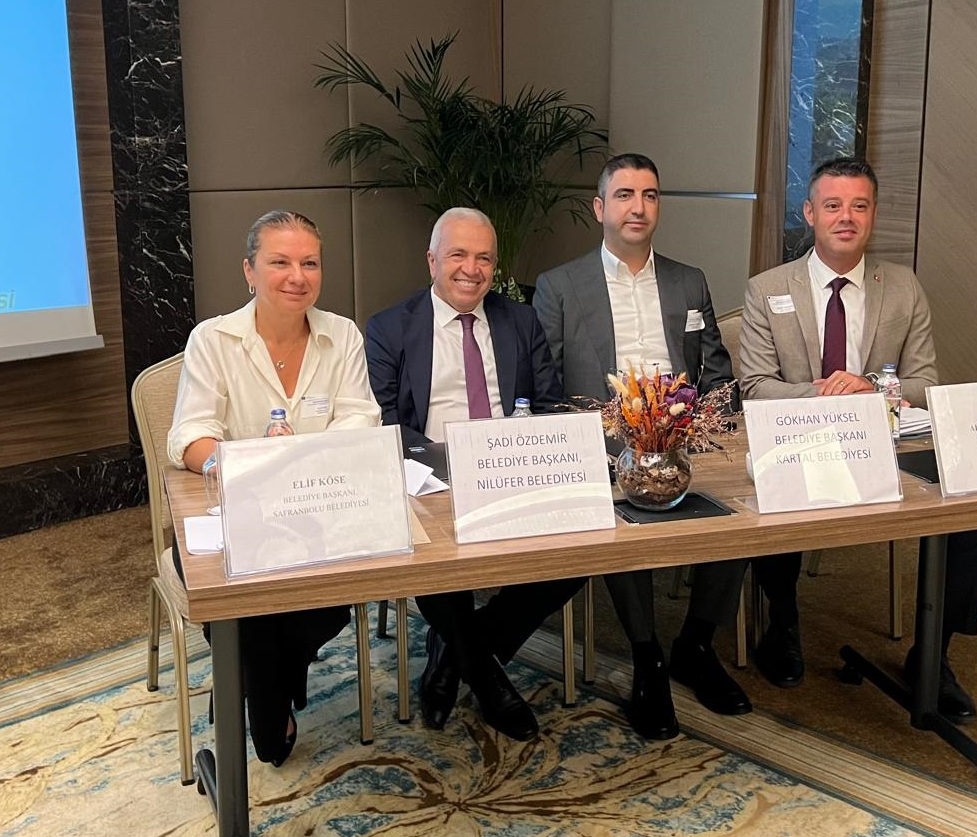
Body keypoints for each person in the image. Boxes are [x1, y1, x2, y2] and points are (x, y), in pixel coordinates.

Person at [739, 156, 977, 723]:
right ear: (810, 213)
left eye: (859, 206)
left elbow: (926, 384)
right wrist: (828, 393)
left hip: (886, 442)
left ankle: (933, 651)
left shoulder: (903, 287)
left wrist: (871, 387)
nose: (846, 217)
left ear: (873, 215)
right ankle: (782, 621)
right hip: (801, 438)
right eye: (832, 205)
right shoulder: (768, 289)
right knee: (775, 486)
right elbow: (756, 388)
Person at [534, 153, 751, 741]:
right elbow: (547, 388)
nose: (639, 207)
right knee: (621, 512)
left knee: (742, 505)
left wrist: (708, 426)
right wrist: (600, 436)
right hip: (604, 441)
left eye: (650, 195)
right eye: (625, 195)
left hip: (685, 435)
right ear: (599, 208)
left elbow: (715, 371)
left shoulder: (688, 280)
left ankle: (696, 644)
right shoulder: (559, 285)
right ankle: (647, 654)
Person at [167, 210, 382, 765]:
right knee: (243, 596)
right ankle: (271, 699)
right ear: (249, 271)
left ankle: (259, 686)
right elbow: (189, 436)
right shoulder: (213, 339)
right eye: (280, 262)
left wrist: (300, 464)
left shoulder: (342, 335)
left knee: (328, 600)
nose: (297, 276)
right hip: (240, 512)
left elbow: (360, 418)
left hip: (323, 510)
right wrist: (251, 466)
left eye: (310, 263)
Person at [365, 207, 583, 741]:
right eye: (458, 255)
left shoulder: (520, 321)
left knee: (582, 549)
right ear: (432, 260)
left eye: (484, 257)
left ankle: (454, 656)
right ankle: (487, 680)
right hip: (430, 480)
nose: (471, 269)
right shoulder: (390, 328)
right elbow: (385, 424)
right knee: (437, 556)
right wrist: (442, 464)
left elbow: (549, 404)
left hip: (514, 471)